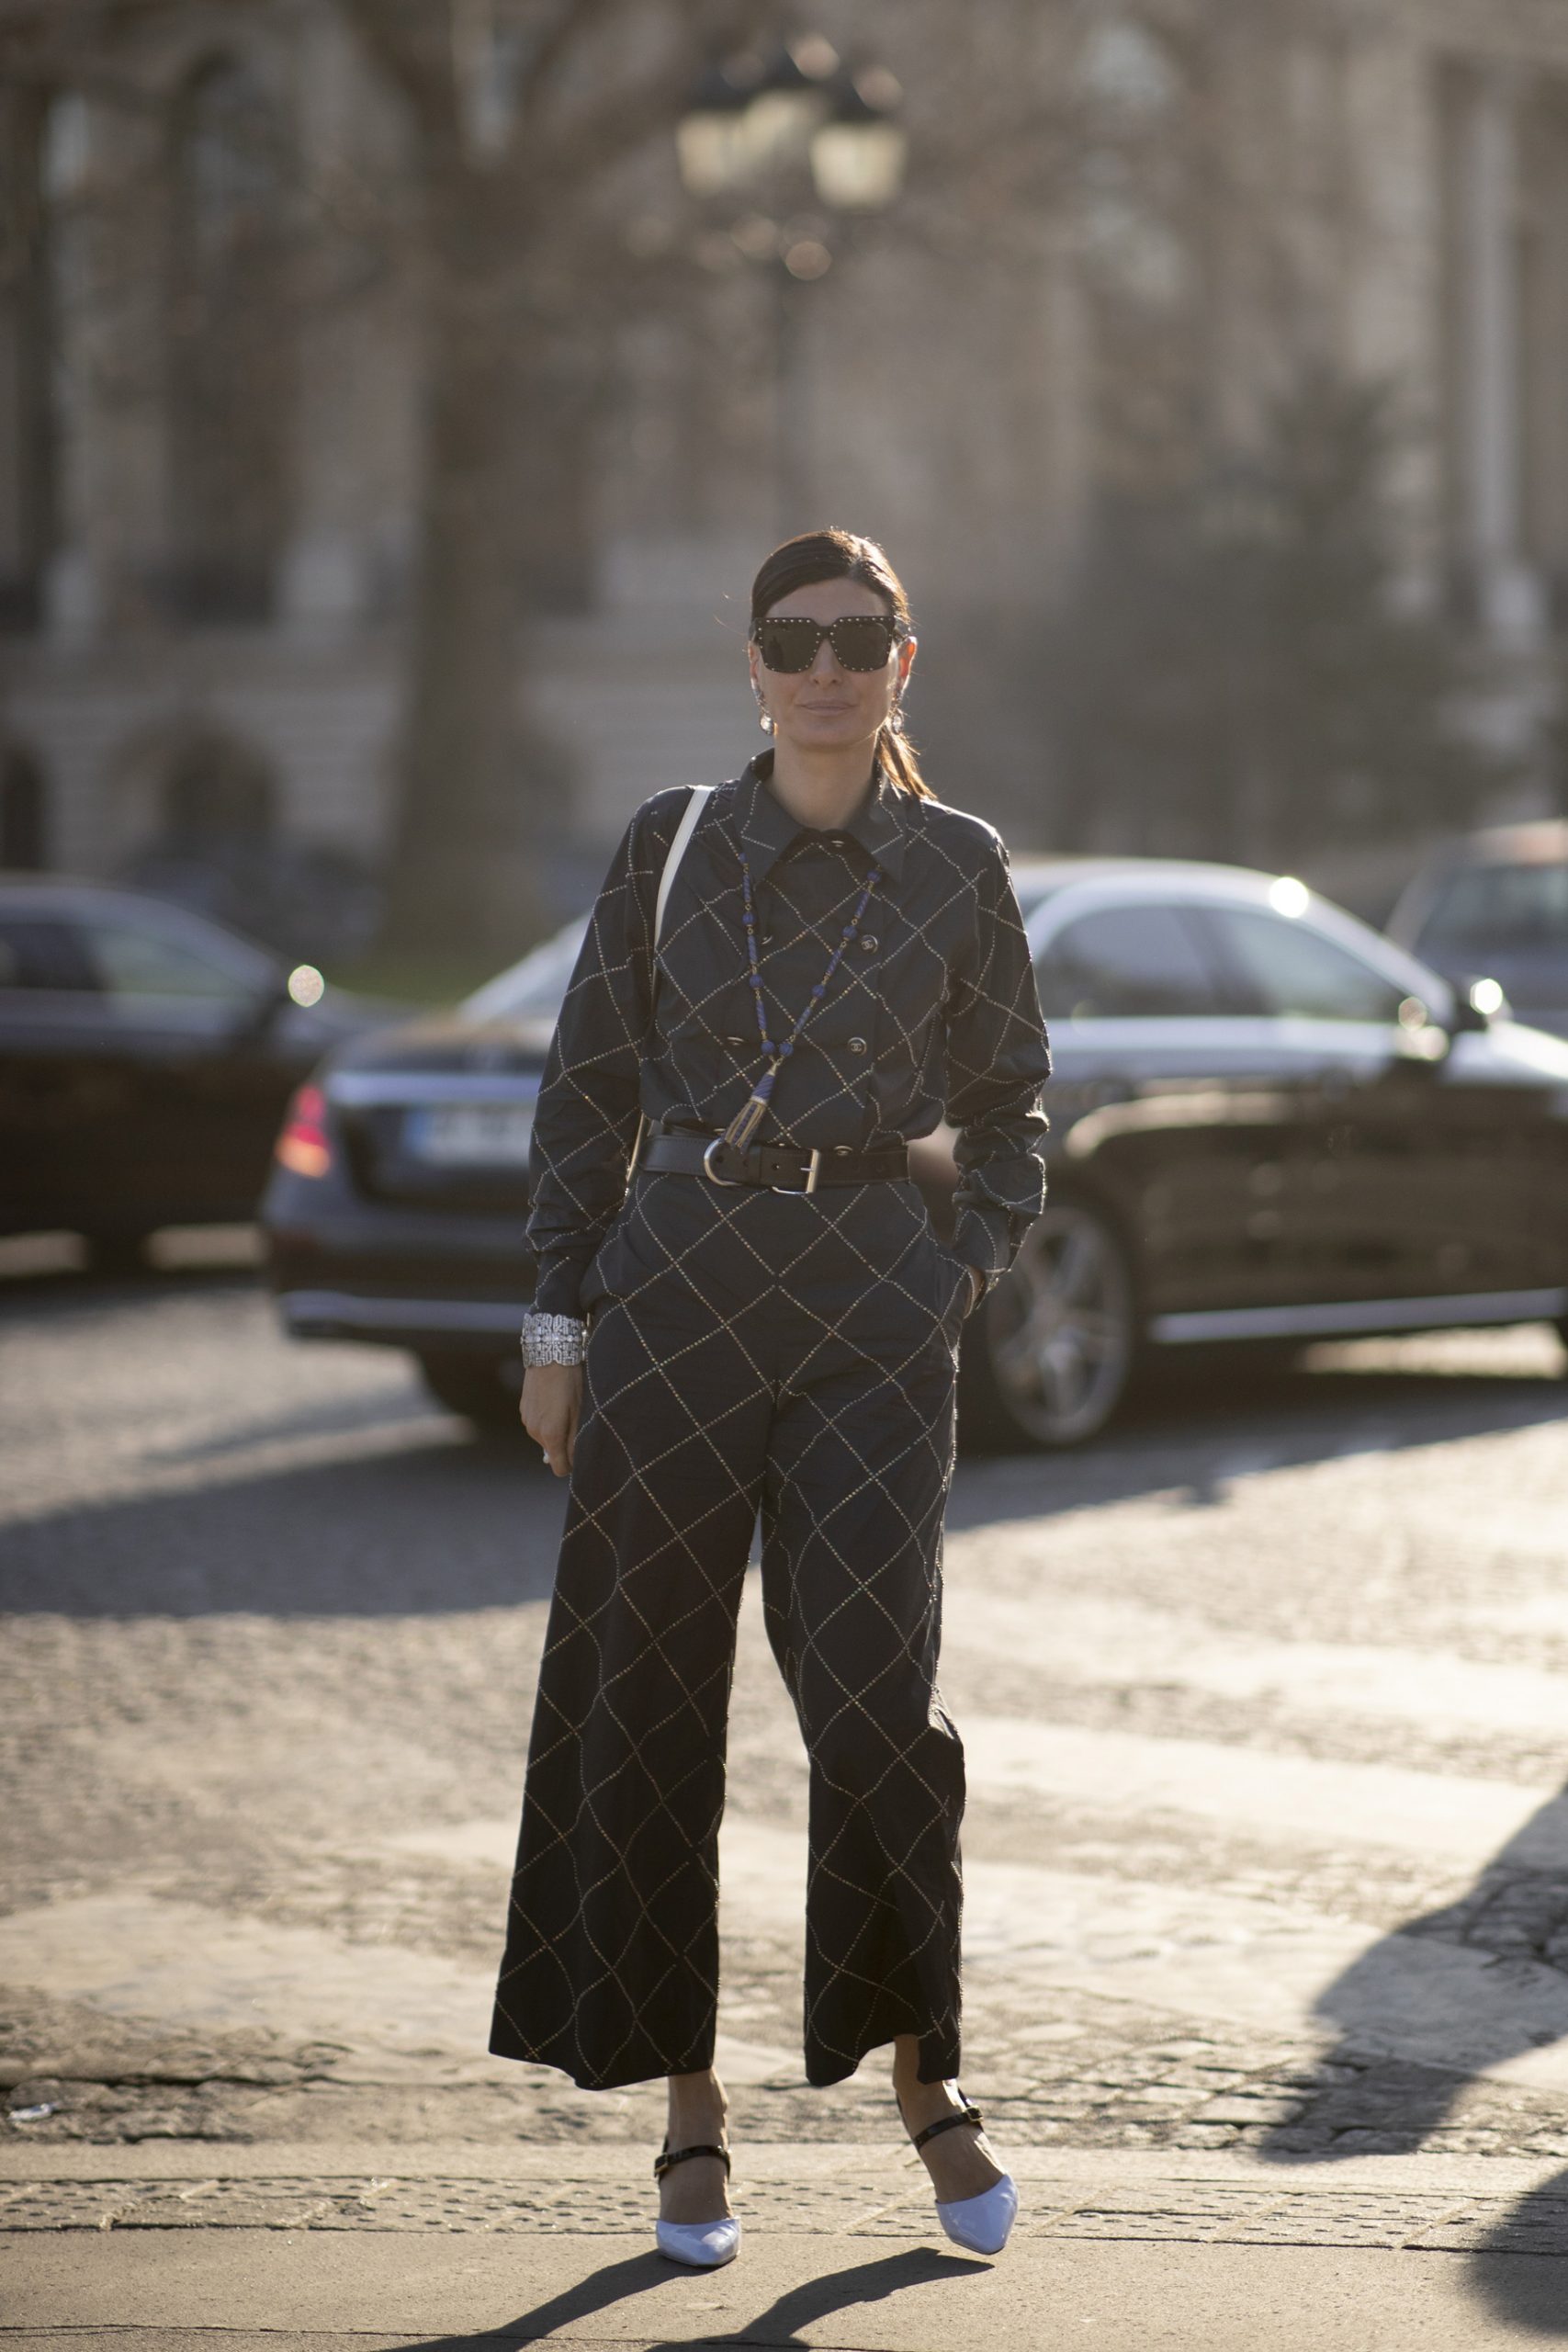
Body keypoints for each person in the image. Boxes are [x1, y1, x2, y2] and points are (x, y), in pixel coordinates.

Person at [491, 527, 1051, 2269]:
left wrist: (962, 1272)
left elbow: (1016, 1103)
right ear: (751, 666)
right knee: (647, 1700)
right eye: (793, 638)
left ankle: (923, 2087)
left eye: (858, 636)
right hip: (672, 1304)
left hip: (877, 1312)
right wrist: (555, 1331)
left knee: (877, 1698)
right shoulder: (668, 846)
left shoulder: (959, 863)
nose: (825, 665)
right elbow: (585, 1098)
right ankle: (688, 2116)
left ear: (905, 660)